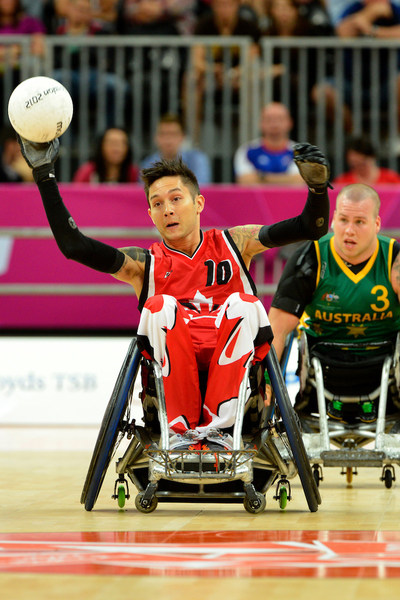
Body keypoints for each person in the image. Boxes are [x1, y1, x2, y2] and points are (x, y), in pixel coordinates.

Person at [17, 134, 330, 450]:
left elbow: (311, 227)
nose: (167, 209)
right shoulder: (144, 264)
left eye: (176, 199)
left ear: (198, 203)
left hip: (240, 373)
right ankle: (181, 430)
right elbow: (74, 246)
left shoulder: (236, 242)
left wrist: (318, 190)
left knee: (244, 303)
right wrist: (44, 174)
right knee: (159, 305)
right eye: (157, 203)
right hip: (172, 375)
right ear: (150, 215)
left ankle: (220, 429)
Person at [269, 183, 400, 423]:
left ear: (377, 224)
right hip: (322, 364)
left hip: (387, 365)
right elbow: (276, 330)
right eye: (343, 220)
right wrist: (265, 386)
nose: (349, 230)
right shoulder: (311, 256)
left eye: (360, 222)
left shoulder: (394, 259)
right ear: (332, 220)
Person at [234, 102, 304, 185]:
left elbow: (300, 181)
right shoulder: (247, 150)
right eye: (269, 119)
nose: (274, 124)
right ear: (261, 123)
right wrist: (286, 179)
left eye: (280, 119)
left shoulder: (301, 152)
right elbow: (245, 181)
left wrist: (262, 177)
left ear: (290, 123)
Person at [141, 114, 212, 185]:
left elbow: (202, 189)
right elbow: (143, 192)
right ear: (156, 138)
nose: (168, 139)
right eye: (163, 134)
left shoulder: (197, 159)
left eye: (173, 134)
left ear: (182, 137)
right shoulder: (148, 163)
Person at [73, 127, 139, 183]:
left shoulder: (134, 174)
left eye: (121, 144)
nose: (116, 149)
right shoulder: (87, 172)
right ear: (101, 146)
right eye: (112, 143)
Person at [333, 136, 400, 186]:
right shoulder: (341, 182)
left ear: (373, 157)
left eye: (362, 164)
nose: (359, 168)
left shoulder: (392, 179)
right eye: (353, 165)